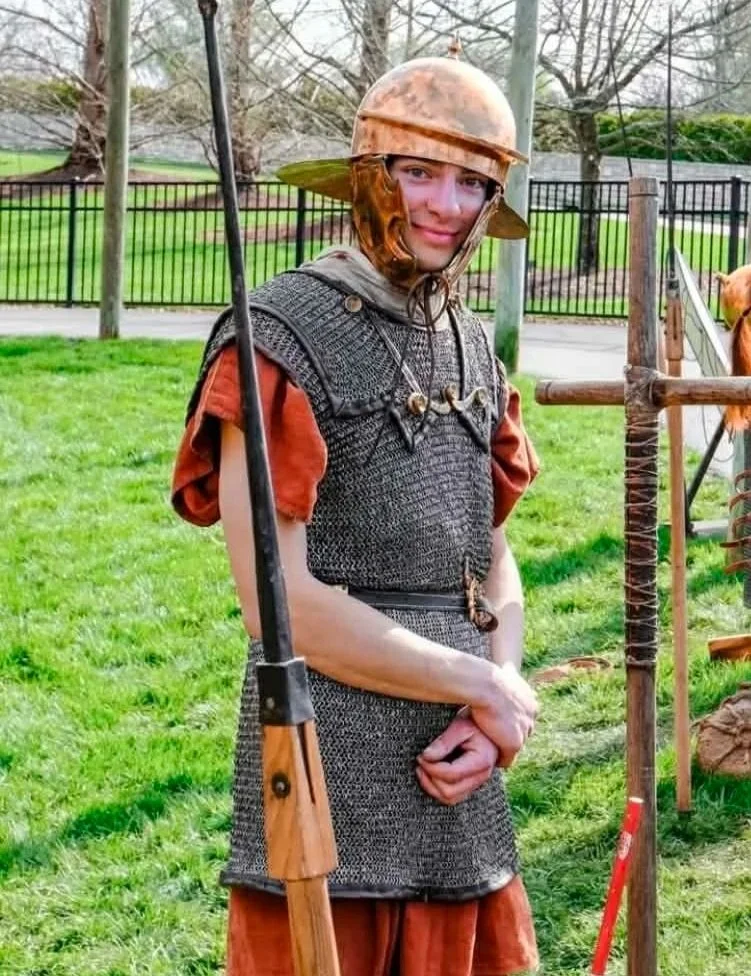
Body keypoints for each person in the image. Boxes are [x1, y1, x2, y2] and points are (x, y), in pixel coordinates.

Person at [172, 54, 540, 976]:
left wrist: (495, 701)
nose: (447, 207)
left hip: (459, 778)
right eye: (419, 173)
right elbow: (278, 602)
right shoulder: (279, 335)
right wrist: (484, 686)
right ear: (367, 178)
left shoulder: (469, 342)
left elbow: (489, 558)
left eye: (471, 184)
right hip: (326, 758)